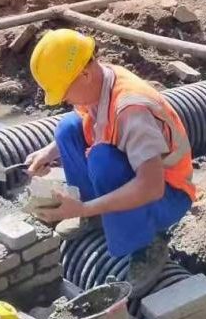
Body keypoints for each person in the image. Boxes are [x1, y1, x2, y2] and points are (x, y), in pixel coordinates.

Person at [25, 28, 196, 294]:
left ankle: (146, 246)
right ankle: (97, 219)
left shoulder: (131, 109)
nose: (65, 99)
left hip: (168, 194)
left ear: (84, 74)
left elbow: (152, 187)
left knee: (101, 160)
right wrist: (49, 153)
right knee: (66, 129)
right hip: (143, 179)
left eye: (65, 92)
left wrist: (82, 208)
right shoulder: (97, 81)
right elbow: (87, 121)